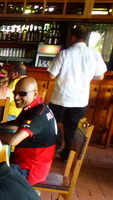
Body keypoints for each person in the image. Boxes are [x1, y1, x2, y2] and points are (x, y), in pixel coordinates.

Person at [48, 25, 107, 160]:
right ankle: (67, 155)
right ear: (85, 39)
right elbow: (100, 76)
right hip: (80, 99)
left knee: (52, 123)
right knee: (72, 128)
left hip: (60, 97)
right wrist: (85, 77)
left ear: (73, 37)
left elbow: (51, 75)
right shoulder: (94, 55)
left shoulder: (65, 53)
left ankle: (54, 147)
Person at [0, 77, 57, 185]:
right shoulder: (35, 106)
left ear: (34, 94)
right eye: (15, 93)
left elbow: (13, 141)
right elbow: (17, 123)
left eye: (22, 94)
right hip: (29, 162)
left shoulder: (38, 115)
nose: (16, 97)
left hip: (31, 170)